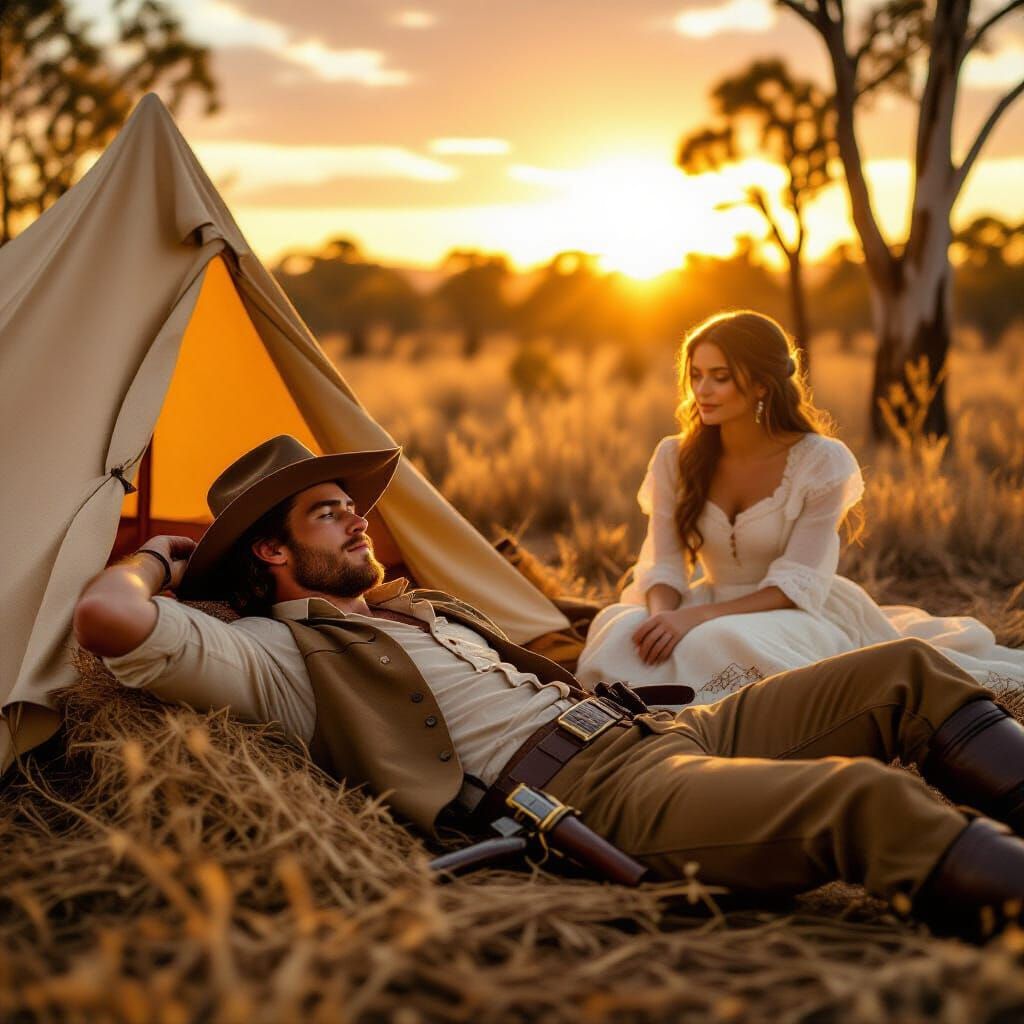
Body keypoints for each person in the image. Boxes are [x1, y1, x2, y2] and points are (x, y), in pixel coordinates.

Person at [73, 434, 1024, 935]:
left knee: (905, 669)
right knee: (857, 798)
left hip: (665, 732)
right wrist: (160, 554)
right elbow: (109, 620)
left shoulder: (413, 606)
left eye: (356, 509)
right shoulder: (273, 657)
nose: (360, 523)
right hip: (597, 796)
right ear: (273, 550)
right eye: (331, 516)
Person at [577, 310, 1024, 706]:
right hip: (700, 604)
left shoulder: (821, 461)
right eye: (695, 375)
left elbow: (797, 583)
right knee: (620, 632)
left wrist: (692, 619)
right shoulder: (674, 456)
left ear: (760, 383)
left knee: (718, 640)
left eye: (720, 376)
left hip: (793, 610)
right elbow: (665, 565)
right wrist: (663, 622)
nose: (702, 390)